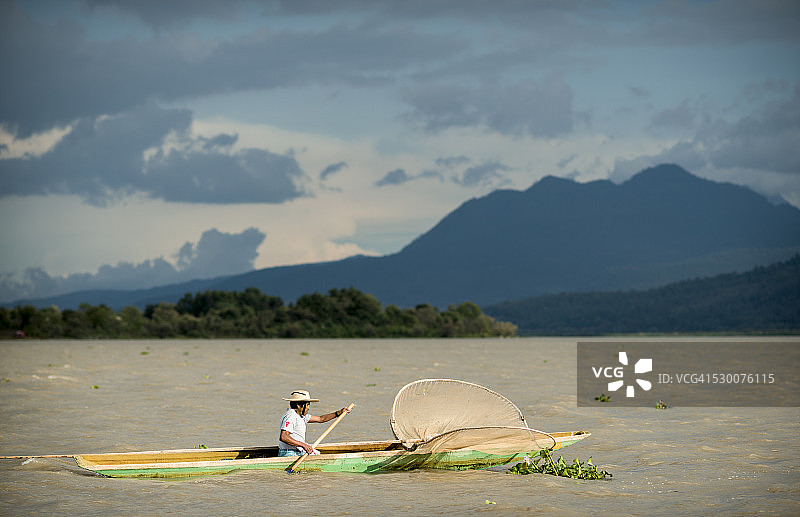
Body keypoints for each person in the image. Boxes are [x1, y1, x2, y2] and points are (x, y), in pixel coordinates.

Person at [278, 390, 351, 457]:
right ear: (298, 405)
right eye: (307, 405)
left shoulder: (301, 416)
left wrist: (339, 413)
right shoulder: (291, 416)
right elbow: (284, 437)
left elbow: (321, 419)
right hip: (290, 453)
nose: (309, 408)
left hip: (297, 451)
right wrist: (303, 445)